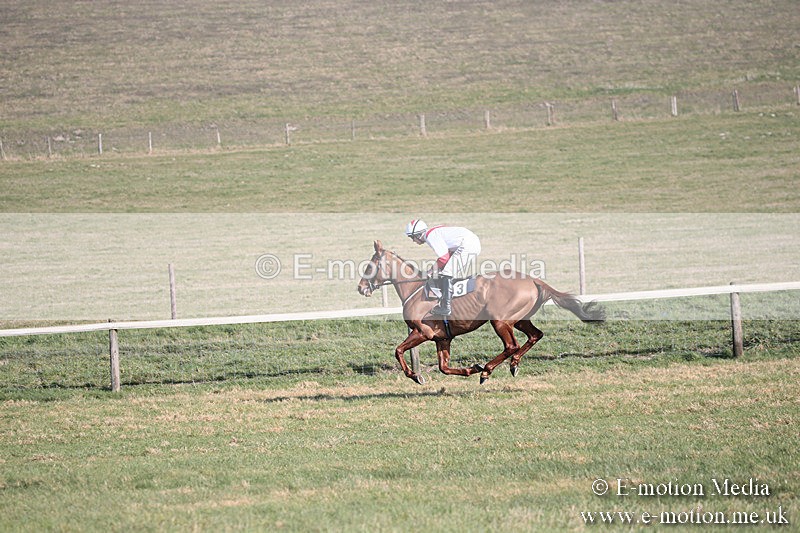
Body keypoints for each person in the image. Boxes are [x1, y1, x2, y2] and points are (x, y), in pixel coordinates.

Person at [404, 219, 481, 316]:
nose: (413, 241)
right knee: (444, 271)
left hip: (467, 245)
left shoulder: (430, 237)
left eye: (412, 237)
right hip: (469, 242)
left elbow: (444, 258)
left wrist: (430, 271)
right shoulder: (432, 233)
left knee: (447, 272)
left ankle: (446, 307)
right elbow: (446, 255)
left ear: (418, 235)